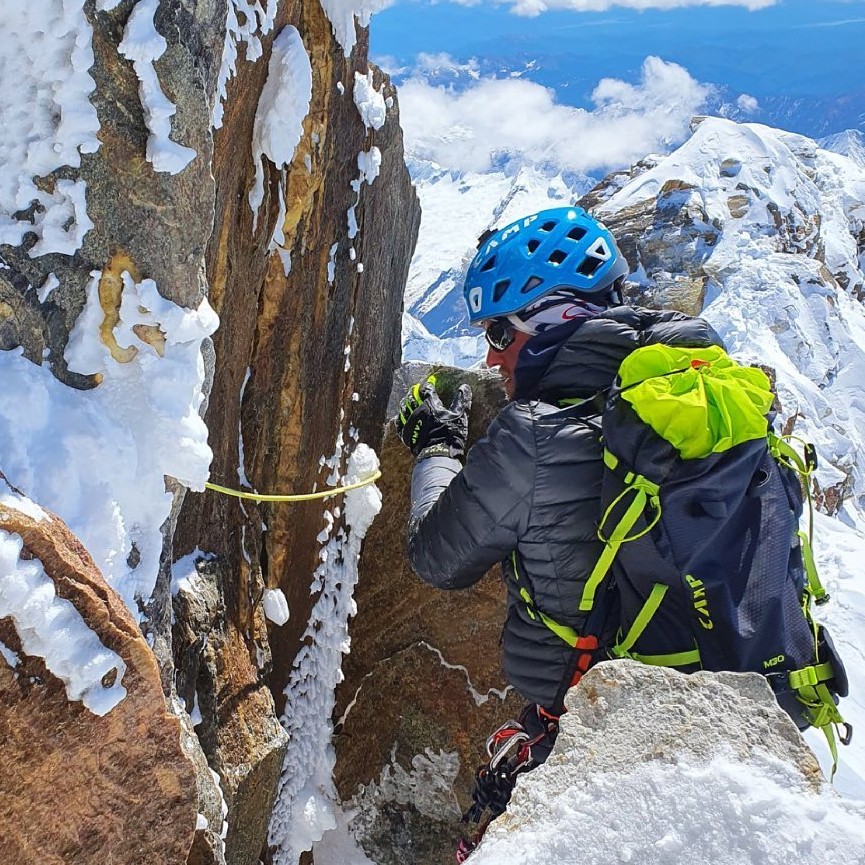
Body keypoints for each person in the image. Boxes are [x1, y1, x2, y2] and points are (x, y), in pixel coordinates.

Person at [395, 206, 722, 839]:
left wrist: (438, 447)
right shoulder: (704, 402)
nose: (491, 361)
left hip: (598, 734)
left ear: (552, 322)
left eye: (498, 335)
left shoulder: (535, 436)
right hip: (726, 703)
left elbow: (436, 557)